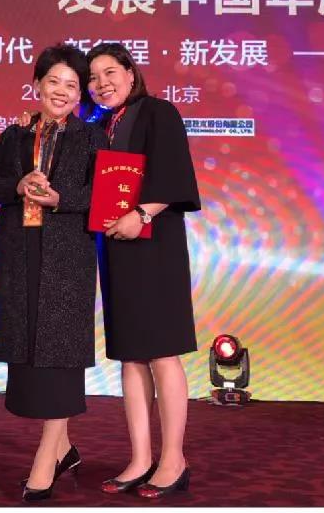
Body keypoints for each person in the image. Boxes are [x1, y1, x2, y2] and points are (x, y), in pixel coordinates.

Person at [0, 43, 107, 502]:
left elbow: (103, 196)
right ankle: (65, 450)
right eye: (54, 81)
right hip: (21, 255)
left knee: (61, 358)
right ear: (37, 85)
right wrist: (17, 185)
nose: (62, 91)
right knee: (32, 356)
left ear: (80, 95)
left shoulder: (92, 138)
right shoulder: (15, 135)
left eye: (72, 85)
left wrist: (61, 199)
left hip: (68, 259)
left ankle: (45, 461)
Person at [88, 42, 202, 499]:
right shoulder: (99, 127)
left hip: (155, 242)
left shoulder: (159, 111)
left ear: (131, 73)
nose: (101, 84)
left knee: (161, 352)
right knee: (130, 355)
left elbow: (174, 174)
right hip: (116, 247)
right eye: (93, 78)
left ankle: (173, 459)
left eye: (109, 72)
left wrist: (142, 213)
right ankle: (139, 458)